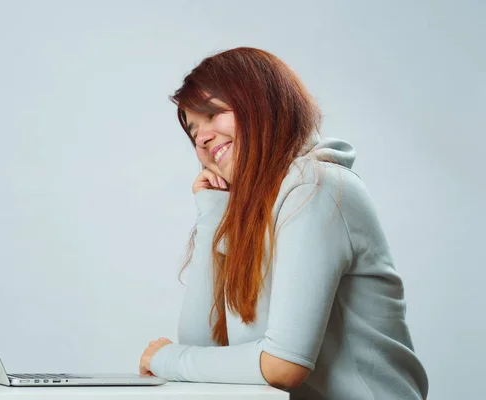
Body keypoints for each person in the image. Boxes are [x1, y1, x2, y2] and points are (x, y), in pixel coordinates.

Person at [138, 47, 429, 400]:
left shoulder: (316, 186)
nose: (201, 138)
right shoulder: (259, 212)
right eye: (194, 130)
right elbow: (203, 348)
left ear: (261, 104)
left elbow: (284, 366)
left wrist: (167, 359)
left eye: (213, 114)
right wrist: (214, 214)